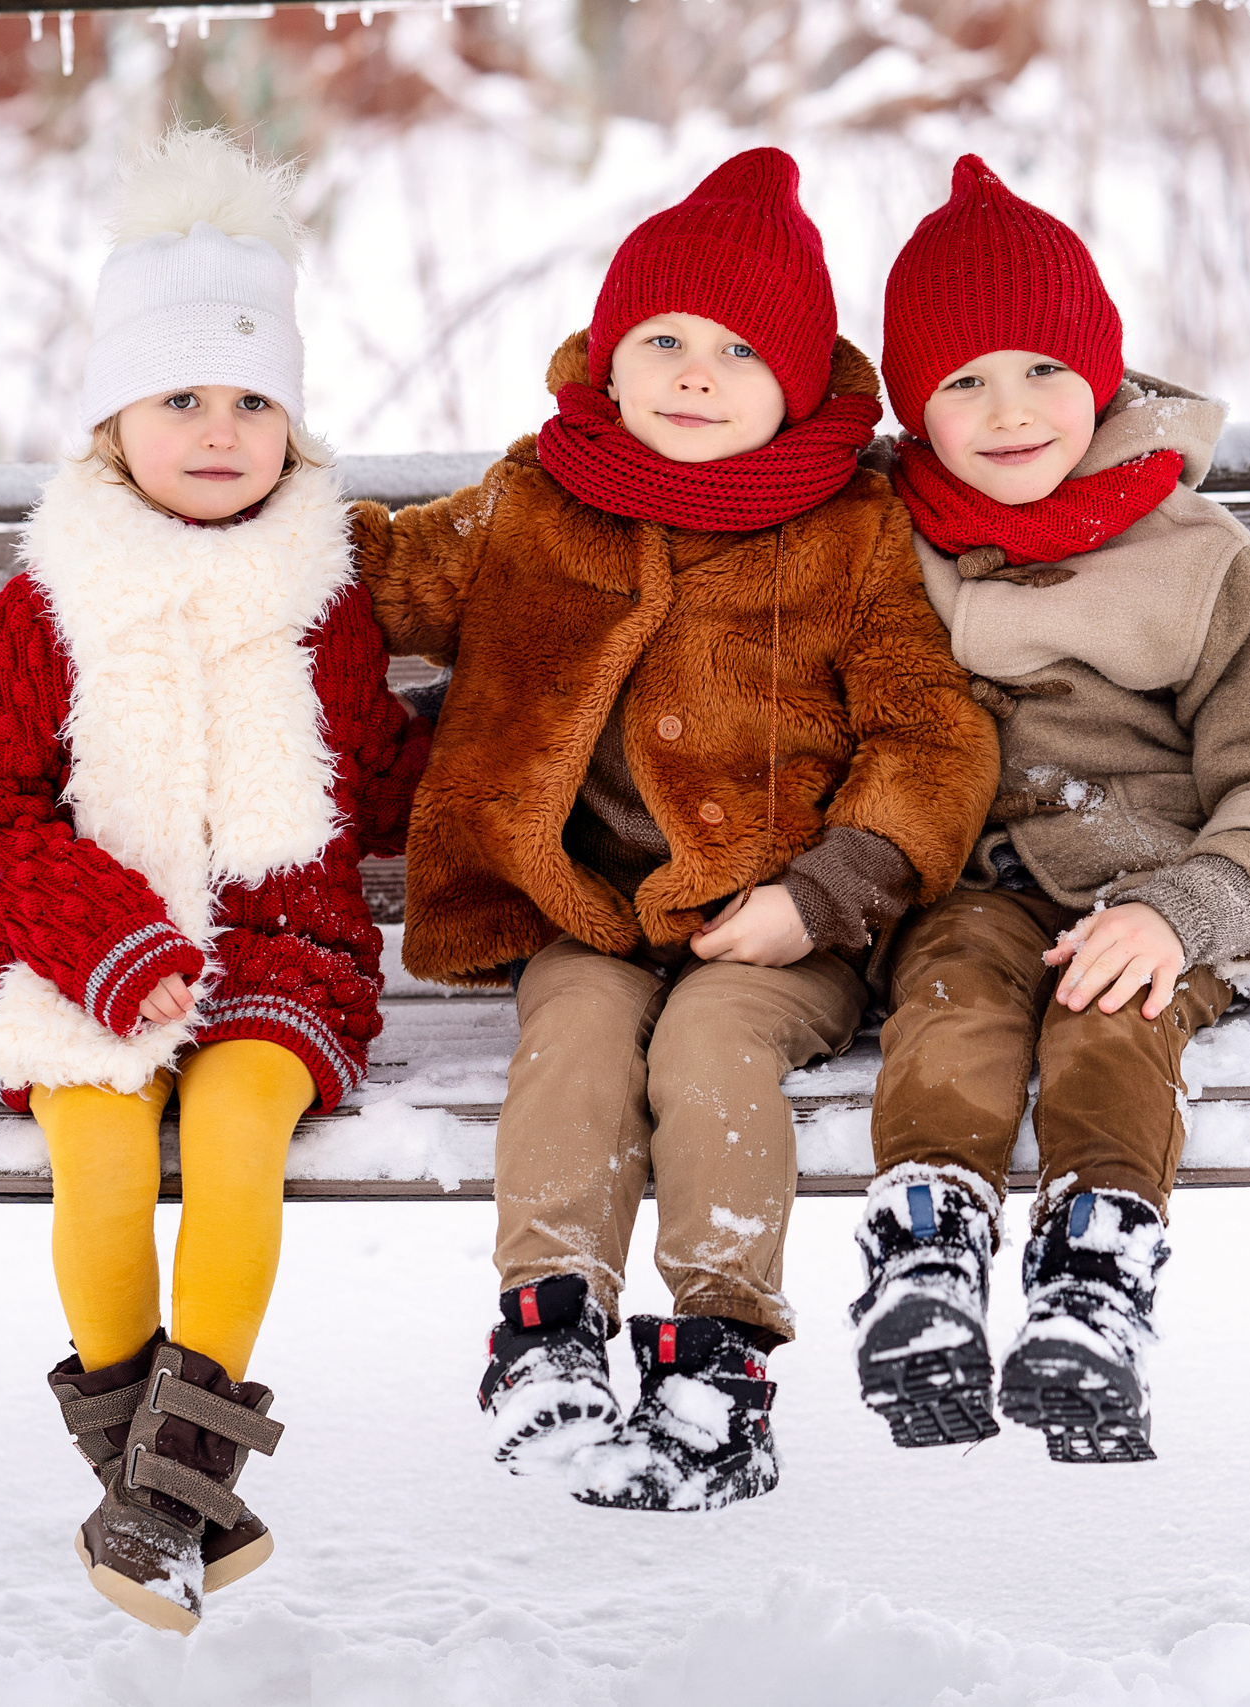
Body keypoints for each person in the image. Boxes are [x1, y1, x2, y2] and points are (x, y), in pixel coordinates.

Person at [352, 149, 999, 1511]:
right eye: (663, 340)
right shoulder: (536, 493)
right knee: (575, 1035)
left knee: (712, 1045)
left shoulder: (852, 528)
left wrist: (826, 894)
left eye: (737, 351)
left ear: (800, 382)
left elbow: (932, 733)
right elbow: (390, 579)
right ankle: (550, 1330)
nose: (695, 374)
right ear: (609, 357)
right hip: (580, 900)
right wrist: (245, 510)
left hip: (780, 921)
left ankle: (719, 1361)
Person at [0, 127, 430, 1631]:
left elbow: (376, 781)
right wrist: (110, 943)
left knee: (242, 1124)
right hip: (82, 951)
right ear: (111, 422)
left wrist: (503, 772)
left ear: (295, 426)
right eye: (182, 398)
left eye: (255, 400)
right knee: (99, 1143)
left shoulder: (320, 599)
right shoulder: (43, 606)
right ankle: (176, 1495)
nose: (221, 430)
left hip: (281, 952)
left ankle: (156, 1496)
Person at [852, 155, 1250, 1465]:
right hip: (958, 894)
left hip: (1147, 895)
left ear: (1102, 375)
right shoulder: (877, 542)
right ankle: (927, 1257)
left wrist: (1191, 909)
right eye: (963, 379)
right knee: (953, 1002)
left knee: (1109, 1017)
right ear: (917, 405)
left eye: (1041, 371)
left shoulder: (1197, 556)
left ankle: (1095, 1276)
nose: (1009, 408)